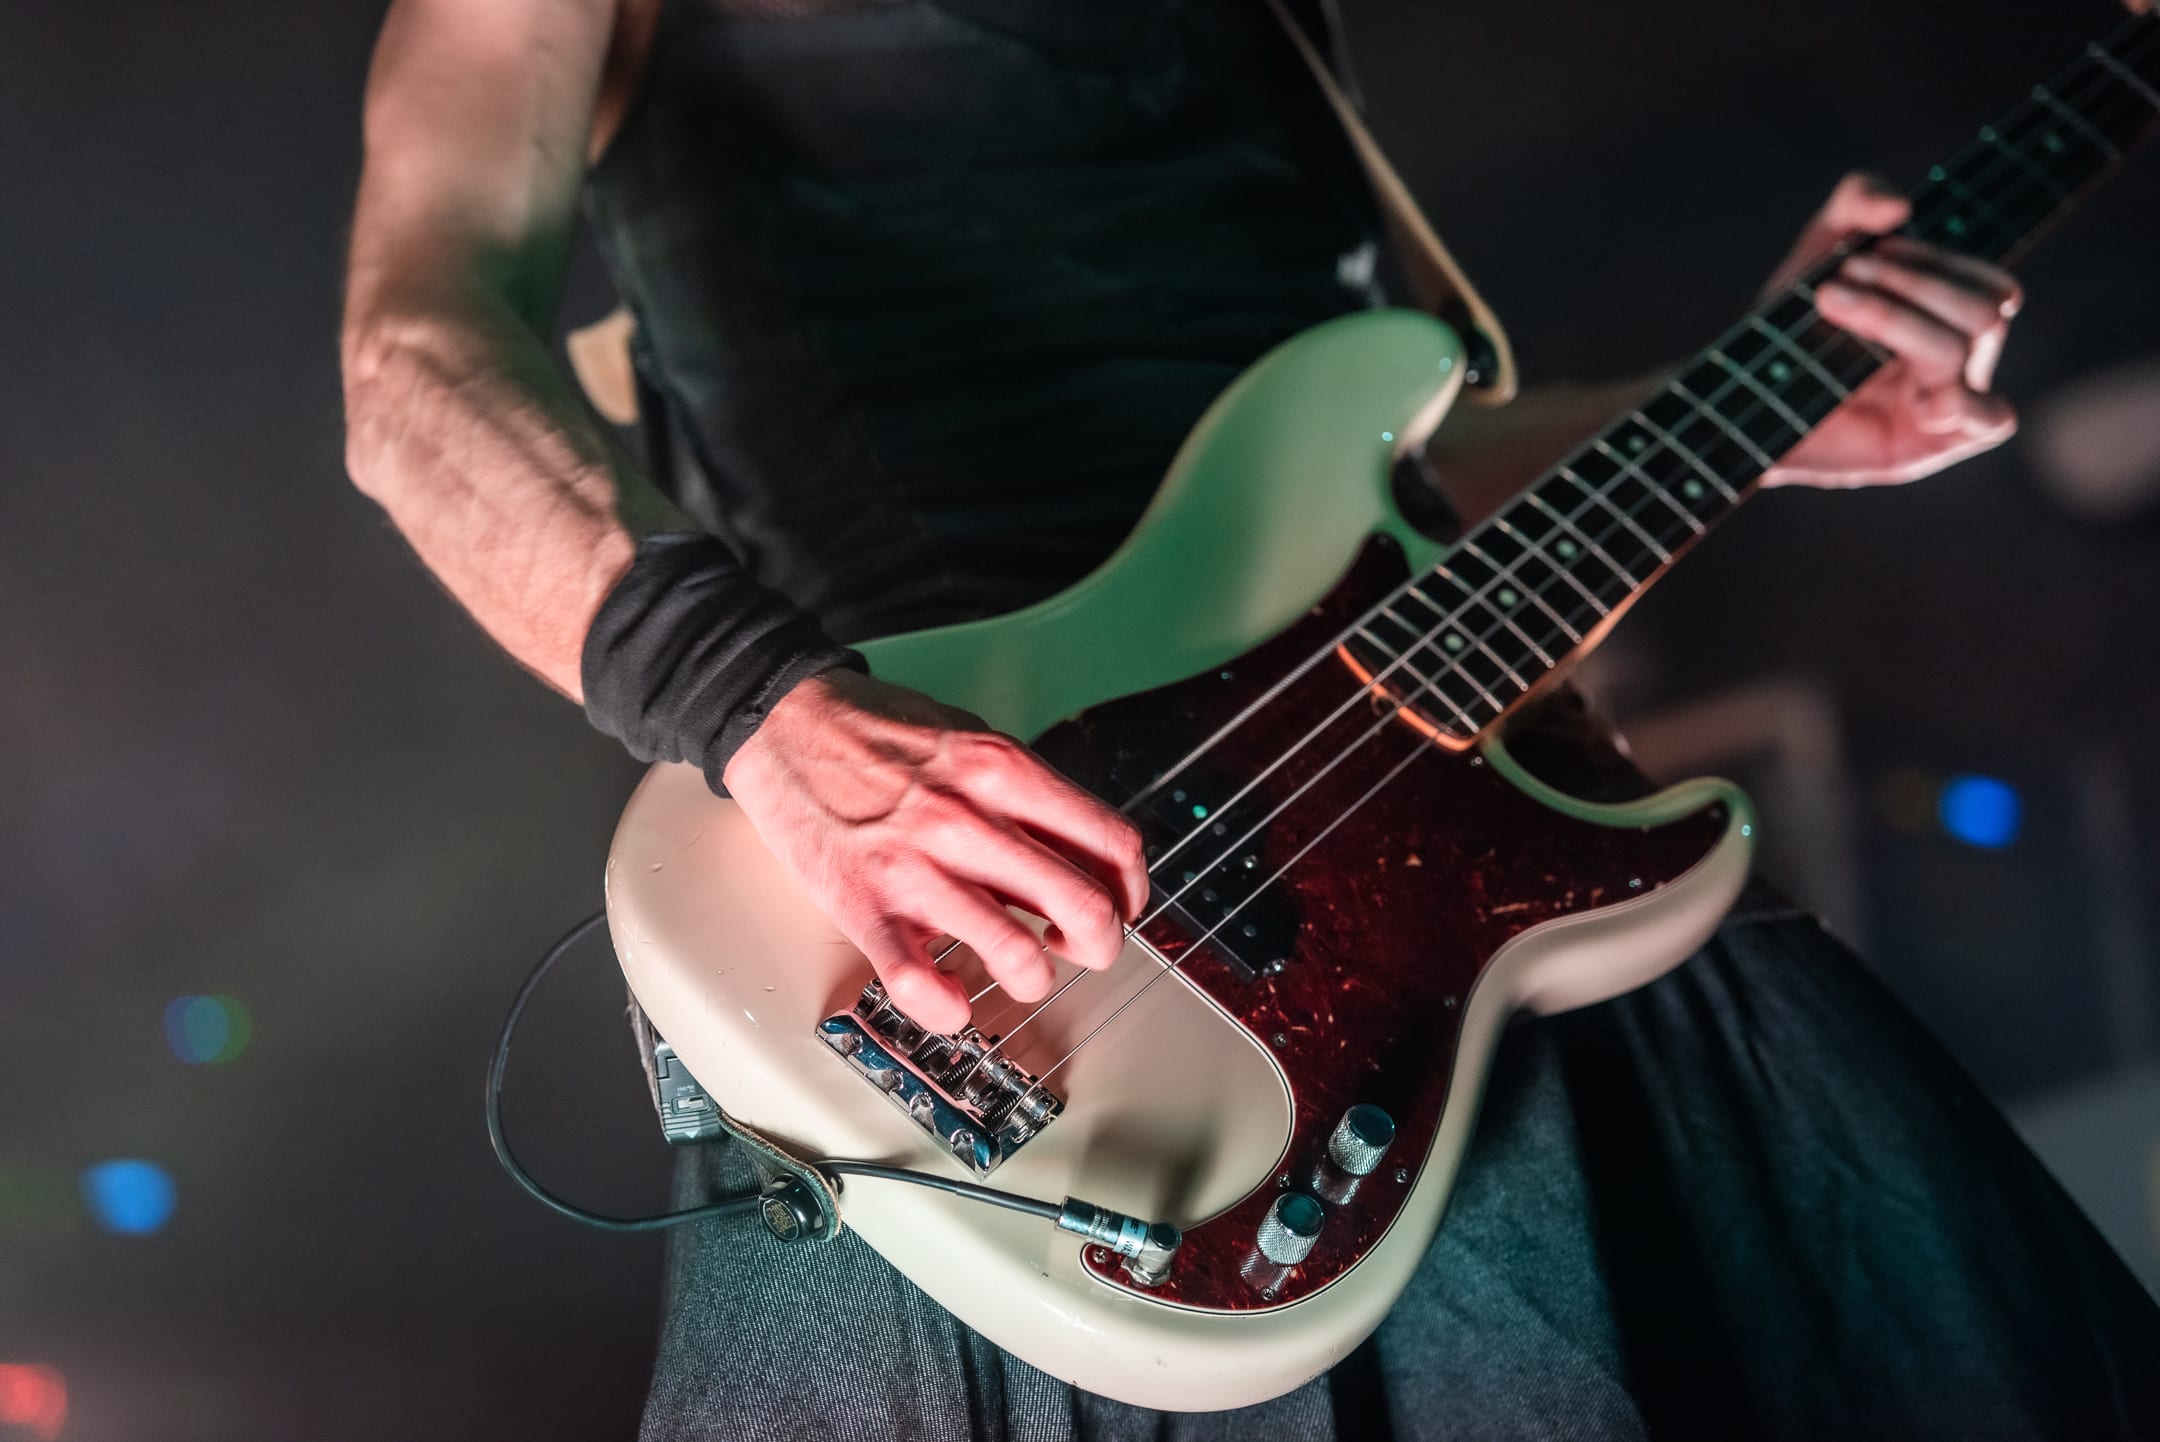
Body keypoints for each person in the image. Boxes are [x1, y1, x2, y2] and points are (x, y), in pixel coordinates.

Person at [339, 1, 2160, 1437]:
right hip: (1014, 1018)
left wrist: (1743, 407)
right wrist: (759, 707)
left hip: (1477, 929)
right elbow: (413, 360)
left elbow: (1372, 513)